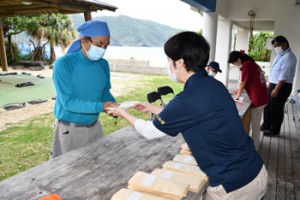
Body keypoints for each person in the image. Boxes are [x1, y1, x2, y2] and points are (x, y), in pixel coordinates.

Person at [107, 31, 268, 200]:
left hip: (234, 187)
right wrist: (152, 108)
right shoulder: (213, 85)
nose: (169, 66)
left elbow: (150, 131)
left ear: (180, 62)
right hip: (255, 171)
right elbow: (191, 113)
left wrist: (122, 112)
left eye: (169, 60)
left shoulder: (189, 97)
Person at [51, 20, 117, 159]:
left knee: (95, 167)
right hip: (70, 130)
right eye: (99, 44)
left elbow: (104, 92)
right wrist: (101, 106)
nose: (103, 49)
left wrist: (114, 105)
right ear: (84, 40)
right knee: (69, 172)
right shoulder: (63, 64)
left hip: (95, 127)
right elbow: (68, 103)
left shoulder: (103, 64)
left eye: (106, 45)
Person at [228, 50, 268, 150]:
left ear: (238, 59)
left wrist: (237, 96)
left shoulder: (246, 65)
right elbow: (248, 81)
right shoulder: (251, 63)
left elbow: (243, 82)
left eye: (234, 63)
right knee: (254, 123)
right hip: (263, 97)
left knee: (255, 124)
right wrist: (238, 90)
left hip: (258, 99)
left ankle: (254, 148)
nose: (235, 65)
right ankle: (253, 143)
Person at [261, 35, 297, 136]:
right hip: (273, 84)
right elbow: (274, 72)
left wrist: (276, 89)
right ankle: (266, 124)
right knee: (268, 105)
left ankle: (274, 130)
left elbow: (284, 76)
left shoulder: (289, 57)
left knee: (276, 108)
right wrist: (269, 83)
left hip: (281, 86)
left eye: (277, 46)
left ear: (284, 45)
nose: (276, 49)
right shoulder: (280, 56)